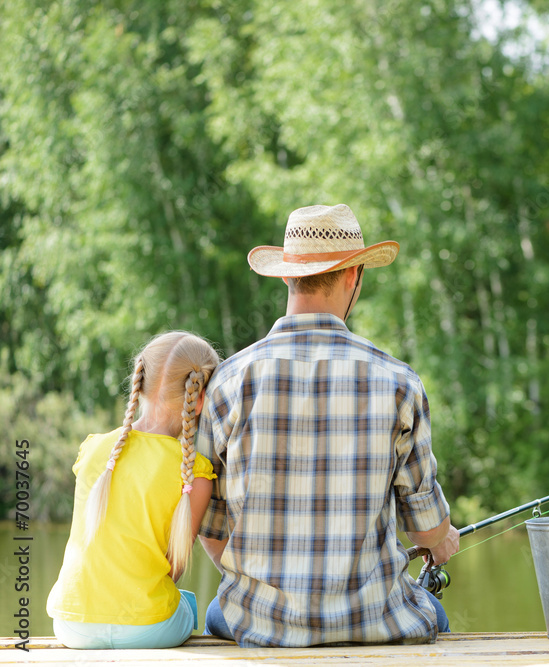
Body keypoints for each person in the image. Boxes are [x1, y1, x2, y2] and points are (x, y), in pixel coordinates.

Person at [197, 204, 460, 648]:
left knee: (214, 610)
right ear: (353, 276)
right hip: (375, 623)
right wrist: (443, 539)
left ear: (286, 275)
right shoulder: (398, 382)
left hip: (259, 624)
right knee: (436, 615)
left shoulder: (229, 380)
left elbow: (211, 529)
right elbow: (425, 529)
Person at [46, 332, 220, 649]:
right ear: (200, 400)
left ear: (139, 384)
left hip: (72, 625)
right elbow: (173, 569)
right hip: (149, 629)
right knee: (188, 604)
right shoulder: (196, 472)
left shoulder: (95, 450)